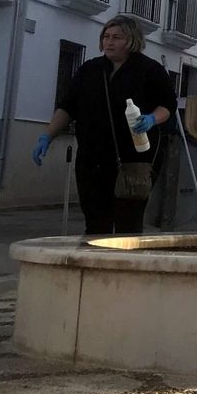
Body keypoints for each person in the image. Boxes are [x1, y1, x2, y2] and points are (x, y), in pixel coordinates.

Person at [34, 16, 176, 234]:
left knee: (127, 225)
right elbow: (67, 107)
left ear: (131, 40)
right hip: (92, 161)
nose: (109, 42)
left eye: (117, 37)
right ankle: (95, 265)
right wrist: (47, 136)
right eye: (106, 37)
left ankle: (123, 266)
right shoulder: (90, 70)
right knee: (95, 222)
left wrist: (151, 119)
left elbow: (167, 105)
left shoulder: (149, 70)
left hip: (132, 163)